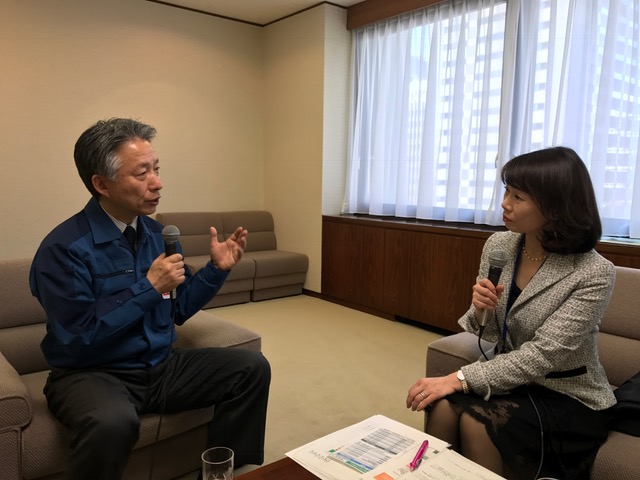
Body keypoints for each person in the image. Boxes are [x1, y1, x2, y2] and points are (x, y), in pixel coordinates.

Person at [30, 118, 271, 480]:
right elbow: (77, 337)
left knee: (251, 368)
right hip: (91, 374)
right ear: (101, 184)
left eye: (157, 169)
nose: (157, 183)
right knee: (112, 422)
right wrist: (148, 287)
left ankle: (221, 473)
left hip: (159, 367)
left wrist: (216, 269)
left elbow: (178, 307)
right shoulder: (63, 249)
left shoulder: (159, 235)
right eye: (142, 173)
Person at [405, 147, 616, 480]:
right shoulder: (499, 246)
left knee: (476, 424)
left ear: (556, 206)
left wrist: (459, 378)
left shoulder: (593, 272)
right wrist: (481, 309)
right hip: (510, 378)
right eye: (506, 191)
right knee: (443, 406)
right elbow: (487, 332)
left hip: (566, 394)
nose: (504, 203)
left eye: (518, 196)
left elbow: (542, 355)